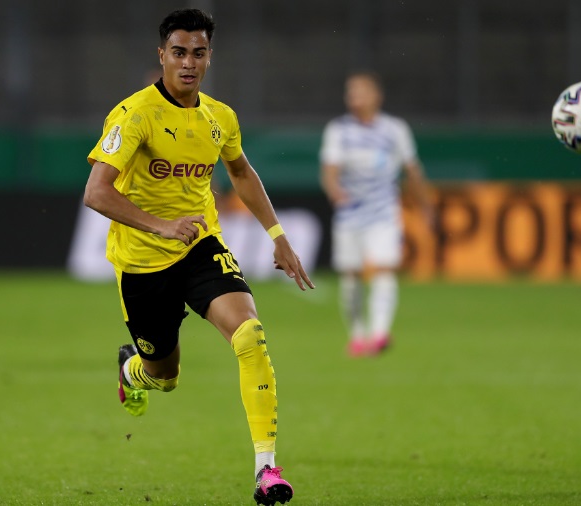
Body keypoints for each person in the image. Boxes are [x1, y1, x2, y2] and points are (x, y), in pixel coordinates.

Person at [83, 9, 314, 505]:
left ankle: (266, 470)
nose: (189, 62)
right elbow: (96, 193)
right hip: (143, 261)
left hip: (199, 246)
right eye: (179, 52)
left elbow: (241, 172)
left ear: (210, 57)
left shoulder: (219, 117)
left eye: (199, 53)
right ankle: (132, 371)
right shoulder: (134, 114)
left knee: (250, 335)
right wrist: (161, 225)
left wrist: (277, 235)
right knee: (164, 377)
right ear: (162, 55)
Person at [319, 71, 432, 358]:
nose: (354, 98)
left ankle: (380, 333)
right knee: (352, 275)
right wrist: (334, 191)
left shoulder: (394, 129)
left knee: (384, 268)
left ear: (376, 96)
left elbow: (412, 169)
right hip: (349, 214)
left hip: (383, 212)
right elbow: (329, 169)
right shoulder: (339, 130)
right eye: (350, 93)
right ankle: (358, 336)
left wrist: (425, 206)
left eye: (360, 92)